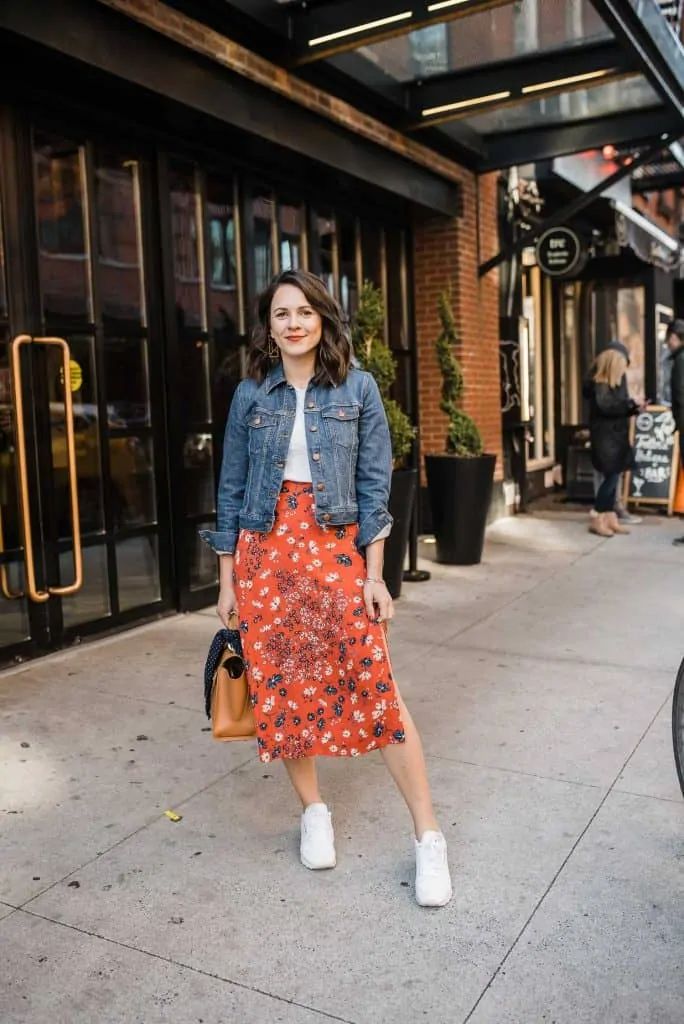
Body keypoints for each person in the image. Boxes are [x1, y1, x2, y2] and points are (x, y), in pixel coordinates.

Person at [200, 269, 452, 908]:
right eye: (281, 314)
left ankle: (428, 838)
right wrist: (227, 580)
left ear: (324, 320)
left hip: (335, 551)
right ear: (268, 327)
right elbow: (229, 490)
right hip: (265, 556)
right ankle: (313, 810)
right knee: (282, 691)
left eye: (304, 311)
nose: (293, 323)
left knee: (379, 689)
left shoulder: (359, 389)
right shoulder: (250, 396)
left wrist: (375, 576)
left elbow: (374, 492)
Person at [583, 342, 644, 537]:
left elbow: (618, 406)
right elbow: (607, 407)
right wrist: (630, 405)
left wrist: (634, 407)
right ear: (613, 362)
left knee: (614, 475)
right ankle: (597, 516)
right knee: (610, 477)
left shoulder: (616, 380)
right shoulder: (600, 382)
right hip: (605, 437)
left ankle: (609, 517)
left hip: (615, 435)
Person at [666, 319, 684, 546]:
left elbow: (680, 395)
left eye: (669, 338)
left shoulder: (680, 360)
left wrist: (679, 424)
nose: (668, 343)